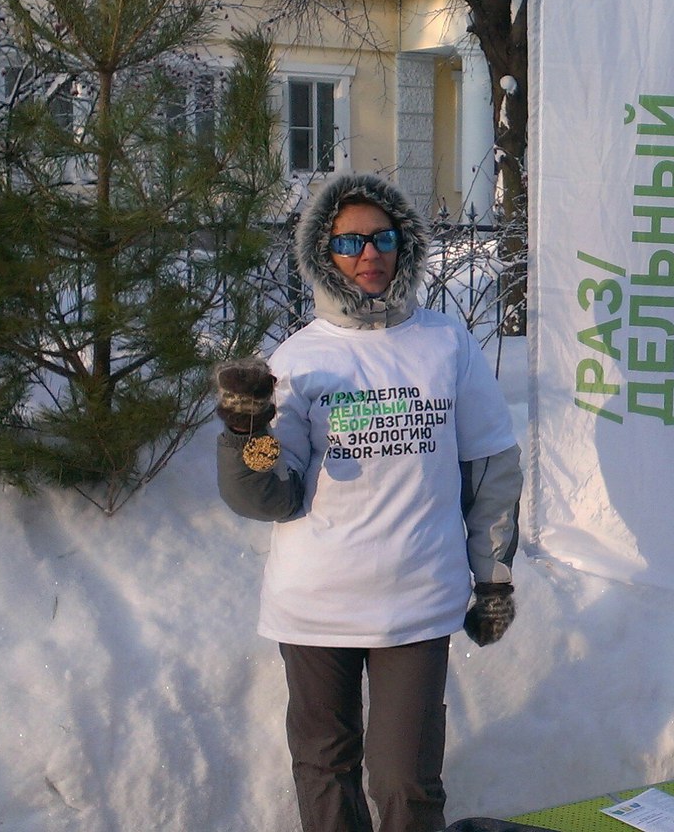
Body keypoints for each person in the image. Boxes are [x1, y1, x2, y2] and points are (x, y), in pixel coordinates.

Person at [215, 172, 523, 832]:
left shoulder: (446, 344)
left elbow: (492, 466)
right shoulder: (299, 360)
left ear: (404, 245)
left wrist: (492, 577)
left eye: (382, 238)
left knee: (404, 779)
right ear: (323, 254)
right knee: (325, 770)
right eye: (349, 243)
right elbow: (272, 498)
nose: (368, 254)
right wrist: (246, 435)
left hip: (417, 599)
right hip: (315, 604)